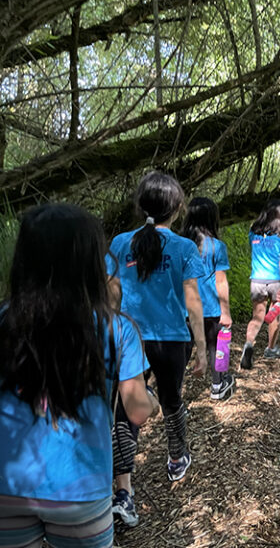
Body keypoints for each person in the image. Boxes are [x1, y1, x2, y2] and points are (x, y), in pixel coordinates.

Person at [0, 203, 155, 548]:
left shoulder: (3, 321)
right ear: (90, 262)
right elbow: (138, 411)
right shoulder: (118, 330)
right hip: (80, 490)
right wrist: (153, 401)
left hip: (6, 484)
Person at [107, 171, 206, 526]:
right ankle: (177, 456)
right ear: (177, 208)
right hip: (171, 341)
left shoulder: (120, 243)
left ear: (141, 205)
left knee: (127, 410)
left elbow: (112, 294)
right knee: (172, 401)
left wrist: (110, 335)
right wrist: (203, 348)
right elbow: (193, 301)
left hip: (128, 338)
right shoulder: (183, 247)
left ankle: (123, 493)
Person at [182, 197, 235, 401]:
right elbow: (220, 281)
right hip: (211, 307)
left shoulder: (181, 245)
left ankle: (176, 395)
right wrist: (226, 311)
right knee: (215, 346)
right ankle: (217, 385)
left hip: (185, 307)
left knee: (184, 351)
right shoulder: (217, 247)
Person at [241, 199, 280, 367]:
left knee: (257, 316)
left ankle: (248, 344)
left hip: (256, 280)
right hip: (275, 280)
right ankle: (270, 348)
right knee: (275, 314)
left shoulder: (253, 233)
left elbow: (254, 250)